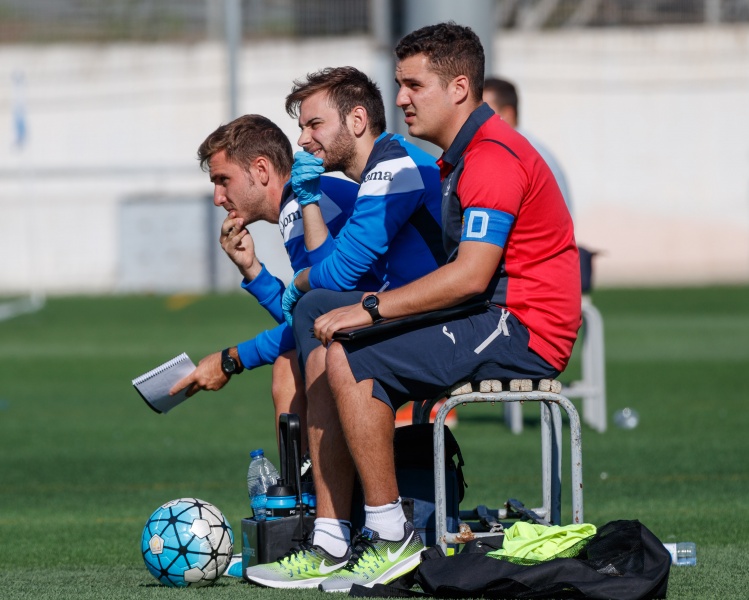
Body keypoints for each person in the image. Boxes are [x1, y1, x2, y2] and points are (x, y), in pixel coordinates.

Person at [252, 22, 581, 593]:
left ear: (458, 86)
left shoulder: (494, 156)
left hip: (522, 327)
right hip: (488, 313)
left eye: (413, 85)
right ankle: (331, 537)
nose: (400, 98)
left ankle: (389, 535)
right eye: (399, 84)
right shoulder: (461, 157)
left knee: (352, 357)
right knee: (326, 327)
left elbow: (472, 275)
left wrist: (374, 310)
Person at [244, 66, 446, 589]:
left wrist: (294, 270)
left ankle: (350, 533)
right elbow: (336, 274)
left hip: (445, 323)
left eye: (314, 125)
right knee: (312, 320)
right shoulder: (365, 176)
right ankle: (336, 533)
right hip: (411, 316)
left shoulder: (394, 166)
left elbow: (337, 274)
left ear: (357, 120)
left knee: (312, 319)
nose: (304, 140)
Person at [168, 114, 372, 448]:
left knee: (288, 366)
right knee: (292, 360)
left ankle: (306, 494)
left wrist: (232, 359)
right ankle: (307, 490)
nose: (218, 197)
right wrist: (252, 269)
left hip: (409, 321)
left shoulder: (299, 206)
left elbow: (314, 321)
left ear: (262, 170)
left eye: (223, 180)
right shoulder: (302, 202)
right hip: (384, 313)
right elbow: (310, 316)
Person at [483, 77, 573, 216]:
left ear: (507, 114)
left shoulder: (521, 153)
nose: (477, 118)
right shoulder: (516, 148)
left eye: (484, 111)